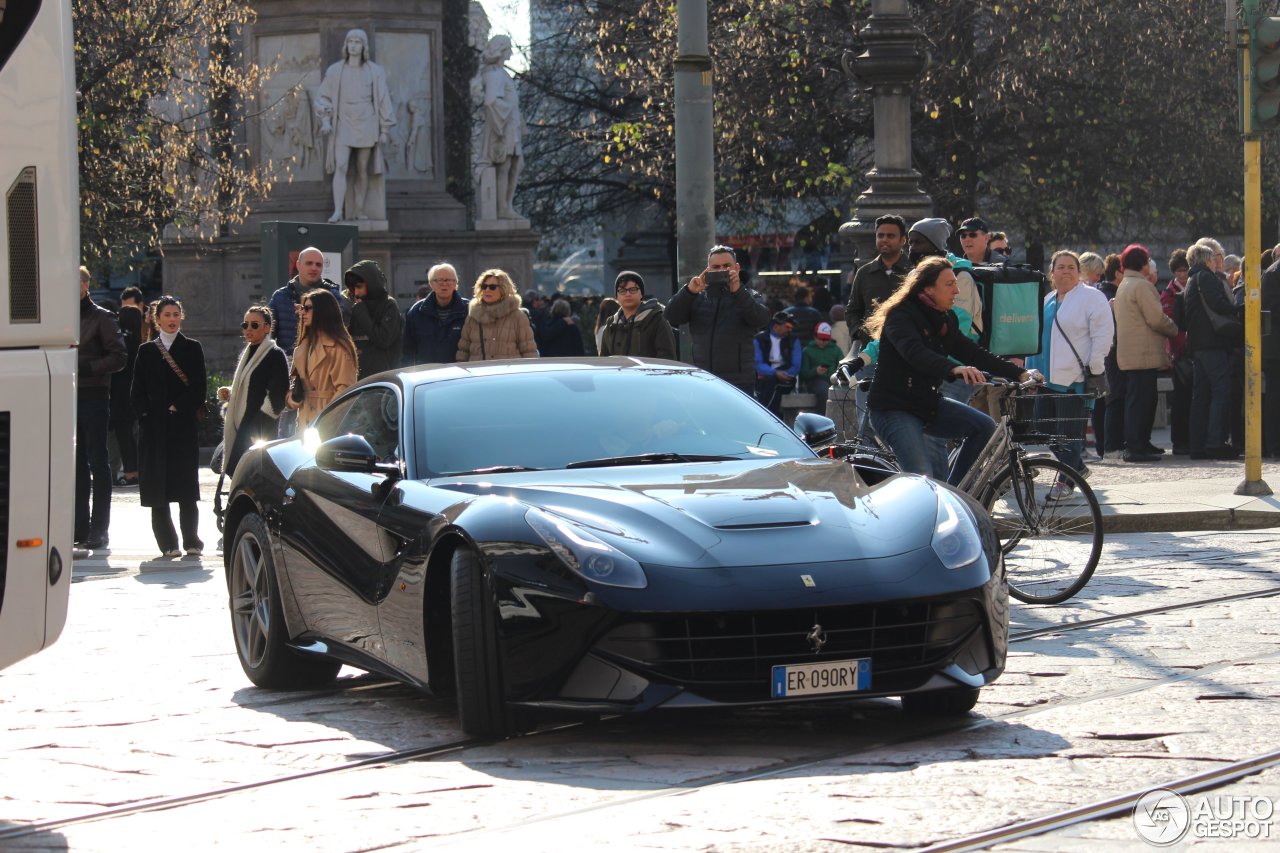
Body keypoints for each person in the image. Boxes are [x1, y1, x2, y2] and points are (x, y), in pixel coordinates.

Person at [865, 256, 1033, 485]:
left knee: (984, 427)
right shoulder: (901, 315)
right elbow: (915, 353)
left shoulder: (946, 317)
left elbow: (973, 352)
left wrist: (1019, 373)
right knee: (921, 477)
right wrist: (955, 369)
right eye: (949, 284)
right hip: (893, 409)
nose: (956, 290)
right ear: (928, 288)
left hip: (926, 403)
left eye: (955, 283)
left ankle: (954, 495)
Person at [1024, 250, 1114, 494]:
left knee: (1069, 434)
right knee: (1044, 429)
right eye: (1060, 267)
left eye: (1070, 267)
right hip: (1045, 376)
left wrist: (1095, 366)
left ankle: (1066, 481)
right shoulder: (1049, 299)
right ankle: (1078, 467)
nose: (1065, 271)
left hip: (1074, 378)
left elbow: (1103, 334)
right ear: (1052, 272)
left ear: (1078, 271)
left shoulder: (1091, 297)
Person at [130, 296, 205, 558]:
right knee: (157, 488)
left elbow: (199, 388)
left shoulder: (192, 348)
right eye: (167, 315)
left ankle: (192, 540)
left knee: (186, 486)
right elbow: (136, 391)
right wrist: (148, 414)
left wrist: (178, 407)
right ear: (156, 318)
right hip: (155, 429)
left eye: (176, 314)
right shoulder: (146, 351)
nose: (172, 319)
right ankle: (167, 543)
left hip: (182, 427)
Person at [665, 244, 772, 393]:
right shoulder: (697, 297)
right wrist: (689, 291)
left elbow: (761, 320)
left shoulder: (749, 295)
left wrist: (738, 292)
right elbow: (671, 316)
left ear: (737, 268)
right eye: (716, 267)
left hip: (739, 382)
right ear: (707, 270)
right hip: (705, 380)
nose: (722, 270)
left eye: (727, 266)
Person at [316, 29, 396, 222]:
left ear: (363, 46)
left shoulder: (375, 72)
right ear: (346, 45)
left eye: (357, 42)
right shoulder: (335, 71)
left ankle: (359, 209)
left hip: (366, 122)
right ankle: (338, 211)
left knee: (362, 168)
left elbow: (383, 99)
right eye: (350, 41)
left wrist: (385, 129)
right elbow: (322, 97)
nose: (353, 45)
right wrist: (326, 120)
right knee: (341, 165)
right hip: (343, 121)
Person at [76, 266, 127, 550]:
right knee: (76, 465)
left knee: (98, 462)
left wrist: (87, 367)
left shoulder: (102, 317)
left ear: (86, 285)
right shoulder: (59, 318)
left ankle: (99, 529)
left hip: (94, 396)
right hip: (67, 396)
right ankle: (80, 527)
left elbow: (119, 356)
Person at [1112, 245, 1179, 463]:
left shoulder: (1125, 284)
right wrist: (1175, 328)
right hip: (1143, 354)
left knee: (1142, 400)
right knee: (1141, 401)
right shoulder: (1142, 286)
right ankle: (1135, 445)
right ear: (1142, 264)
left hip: (1132, 353)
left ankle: (1141, 442)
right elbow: (1156, 318)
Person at [217, 306, 288, 476]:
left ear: (267, 327)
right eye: (245, 324)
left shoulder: (275, 354)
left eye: (254, 325)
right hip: (244, 422)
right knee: (240, 471)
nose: (248, 329)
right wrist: (231, 393)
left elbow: (278, 393)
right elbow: (249, 385)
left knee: (253, 473)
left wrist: (260, 421)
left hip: (258, 426)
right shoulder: (249, 352)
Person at [1184, 239, 1238, 459]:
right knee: (1221, 389)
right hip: (1212, 344)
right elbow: (1217, 304)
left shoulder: (1191, 280)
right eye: (1214, 258)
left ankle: (1198, 445)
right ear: (1206, 260)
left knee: (1202, 395)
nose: (1217, 262)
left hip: (1198, 345)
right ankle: (1216, 441)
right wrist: (1237, 308)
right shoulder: (1206, 277)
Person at [287, 289, 358, 431]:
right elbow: (295, 384)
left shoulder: (338, 348)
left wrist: (326, 420)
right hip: (304, 421)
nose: (303, 312)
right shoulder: (303, 346)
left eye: (307, 308)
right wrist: (290, 398)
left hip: (327, 423)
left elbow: (345, 391)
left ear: (322, 311)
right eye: (302, 308)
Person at [268, 246, 347, 356]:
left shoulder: (332, 295)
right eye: (309, 263)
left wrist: (311, 314)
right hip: (289, 364)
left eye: (318, 264)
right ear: (298, 265)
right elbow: (268, 333)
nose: (314, 268)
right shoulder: (280, 296)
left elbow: (339, 328)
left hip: (322, 362)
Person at [846, 214, 910, 347]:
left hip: (908, 348)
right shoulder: (864, 273)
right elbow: (852, 311)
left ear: (903, 240)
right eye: (880, 235)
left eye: (890, 236)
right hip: (871, 350)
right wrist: (858, 334)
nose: (884, 239)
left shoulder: (914, 271)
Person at [479, 35, 524, 220]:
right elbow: (491, 101)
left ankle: (506, 205)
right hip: (503, 127)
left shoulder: (501, 73)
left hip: (510, 126)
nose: (512, 53)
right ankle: (503, 208)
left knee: (516, 165)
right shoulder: (495, 75)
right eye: (509, 49)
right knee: (504, 166)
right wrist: (507, 117)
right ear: (502, 51)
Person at [456, 269, 538, 361]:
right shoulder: (473, 316)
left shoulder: (518, 316)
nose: (487, 290)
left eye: (492, 287)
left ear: (503, 289)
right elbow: (463, 351)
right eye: (484, 286)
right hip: (479, 373)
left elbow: (529, 351)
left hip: (508, 373)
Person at [110, 285, 146, 487]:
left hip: (119, 394)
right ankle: (137, 470)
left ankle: (131, 472)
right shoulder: (141, 342)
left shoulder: (119, 341)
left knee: (124, 433)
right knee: (136, 434)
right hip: (138, 393)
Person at [598, 271, 677, 359]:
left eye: (633, 290)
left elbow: (667, 357)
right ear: (617, 296)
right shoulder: (611, 325)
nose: (628, 294)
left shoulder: (657, 319)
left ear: (641, 293)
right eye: (622, 291)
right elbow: (604, 360)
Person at [344, 259, 402, 378]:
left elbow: (383, 339)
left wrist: (361, 312)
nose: (356, 293)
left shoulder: (388, 305)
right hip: (355, 376)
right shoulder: (350, 303)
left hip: (382, 377)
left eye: (359, 287)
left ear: (371, 283)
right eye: (353, 288)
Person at [402, 263, 468, 365]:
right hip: (427, 375)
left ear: (455, 283)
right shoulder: (417, 312)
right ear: (431, 284)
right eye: (439, 280)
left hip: (459, 374)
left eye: (448, 280)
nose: (444, 284)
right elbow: (407, 351)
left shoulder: (468, 309)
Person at [1160, 249, 1192, 454]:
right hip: (1178, 351)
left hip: (1190, 349)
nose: (1182, 274)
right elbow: (1169, 324)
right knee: (1180, 399)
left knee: (1190, 398)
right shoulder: (1169, 293)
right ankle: (1179, 441)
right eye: (1178, 270)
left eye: (1185, 269)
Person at [753, 312, 802, 415]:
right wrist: (774, 373)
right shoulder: (760, 339)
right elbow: (758, 363)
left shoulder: (793, 340)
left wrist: (783, 374)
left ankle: (765, 414)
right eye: (788, 326)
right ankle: (773, 416)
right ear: (776, 326)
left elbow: (796, 365)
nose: (790, 329)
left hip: (785, 376)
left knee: (771, 384)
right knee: (771, 385)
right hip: (767, 376)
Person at [800, 322, 844, 411]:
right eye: (820, 339)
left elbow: (842, 365)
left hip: (833, 379)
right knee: (823, 390)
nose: (823, 342)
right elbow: (803, 374)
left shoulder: (836, 349)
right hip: (815, 380)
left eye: (826, 339)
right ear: (815, 336)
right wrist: (816, 371)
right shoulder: (807, 351)